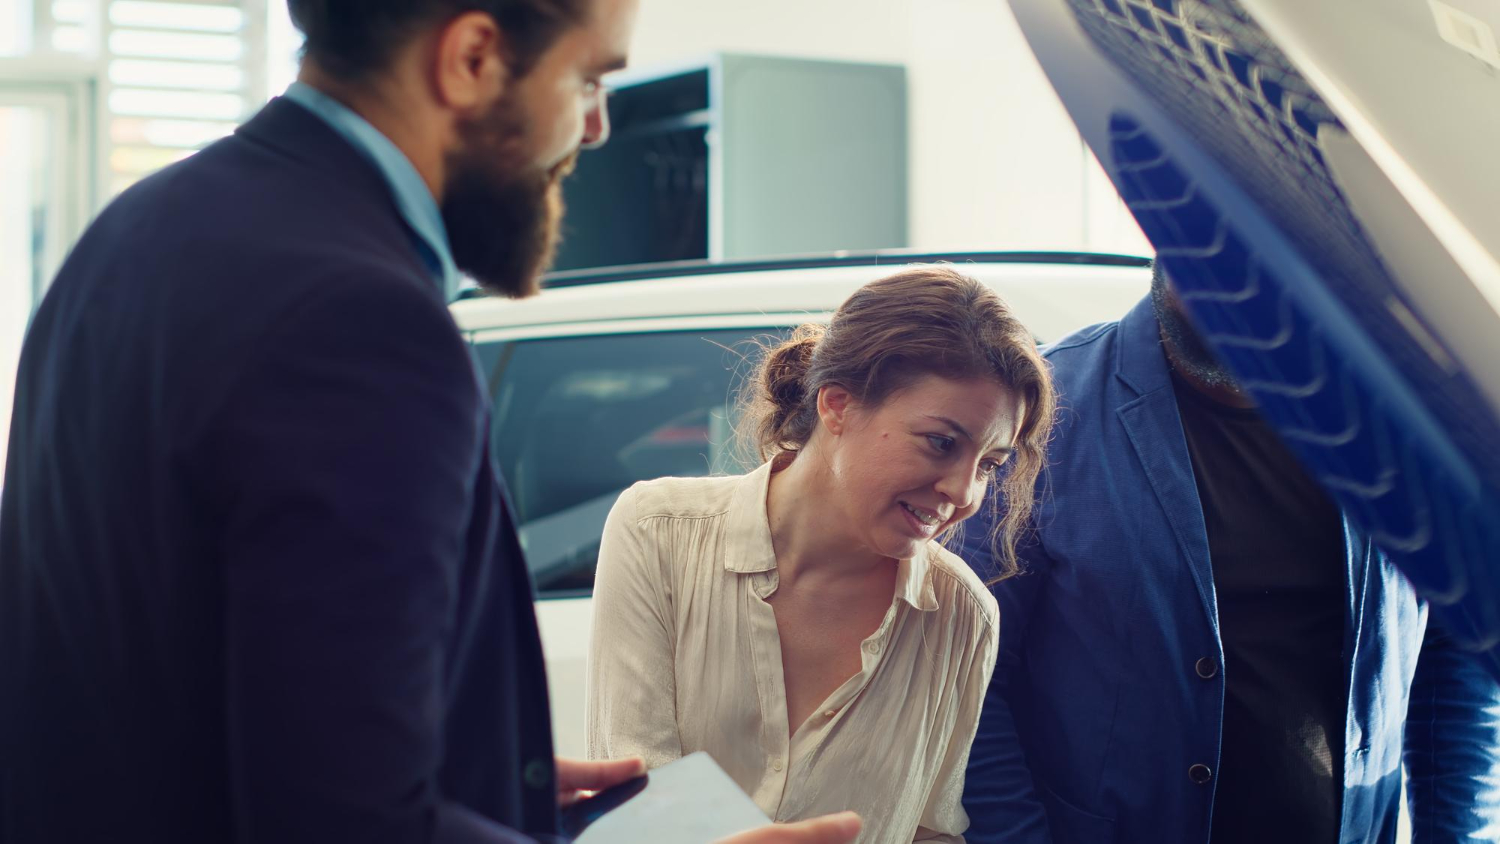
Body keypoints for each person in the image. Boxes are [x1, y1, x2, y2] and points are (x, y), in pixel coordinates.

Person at [0, 1, 859, 842]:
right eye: (588, 79)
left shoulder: (135, 231)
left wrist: (485, 787)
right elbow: (338, 821)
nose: (597, 127)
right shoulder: (360, 317)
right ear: (473, 58)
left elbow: (178, 684)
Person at [958, 262, 1500, 843]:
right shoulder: (1043, 412)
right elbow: (969, 682)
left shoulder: (1408, 418)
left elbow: (1457, 651)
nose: (1232, 295)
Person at [586, 267, 1057, 843]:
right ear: (837, 406)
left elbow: (930, 830)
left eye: (988, 465)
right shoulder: (658, 530)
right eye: (942, 443)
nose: (964, 493)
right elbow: (636, 794)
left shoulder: (964, 615)